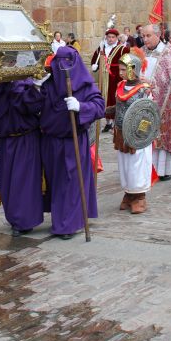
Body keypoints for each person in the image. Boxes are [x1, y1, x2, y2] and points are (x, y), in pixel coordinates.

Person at [40, 46, 104, 239]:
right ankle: (60, 219)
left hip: (73, 141)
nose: (63, 66)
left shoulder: (84, 85)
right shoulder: (49, 85)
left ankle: (67, 224)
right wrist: (35, 89)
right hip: (51, 141)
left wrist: (81, 106)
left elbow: (99, 106)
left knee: (72, 182)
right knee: (57, 182)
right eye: (59, 62)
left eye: (67, 62)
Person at [0, 79, 45, 236]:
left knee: (23, 182)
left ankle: (24, 221)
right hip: (5, 143)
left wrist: (19, 87)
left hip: (26, 140)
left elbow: (35, 106)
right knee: (6, 181)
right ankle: (13, 218)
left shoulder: (24, 86)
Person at [109, 50, 152, 214]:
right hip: (121, 133)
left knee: (137, 166)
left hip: (136, 135)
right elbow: (119, 107)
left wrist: (139, 135)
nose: (119, 73)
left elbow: (148, 113)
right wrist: (105, 111)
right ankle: (128, 194)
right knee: (125, 166)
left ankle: (139, 197)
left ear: (133, 69)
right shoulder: (120, 86)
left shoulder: (144, 90)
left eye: (122, 69)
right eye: (119, 69)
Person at [141, 24, 171, 181]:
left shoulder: (167, 52)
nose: (145, 39)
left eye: (148, 36)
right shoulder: (142, 51)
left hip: (162, 101)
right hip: (143, 98)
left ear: (157, 35)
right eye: (143, 36)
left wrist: (152, 84)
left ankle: (163, 170)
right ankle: (146, 168)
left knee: (161, 135)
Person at [90, 28, 130, 132]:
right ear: (106, 38)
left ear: (116, 38)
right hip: (104, 78)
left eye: (113, 37)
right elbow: (95, 59)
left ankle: (116, 122)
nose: (111, 39)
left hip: (116, 78)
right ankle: (108, 122)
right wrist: (95, 65)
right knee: (104, 98)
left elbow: (127, 62)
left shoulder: (122, 49)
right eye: (109, 37)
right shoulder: (101, 48)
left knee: (115, 98)